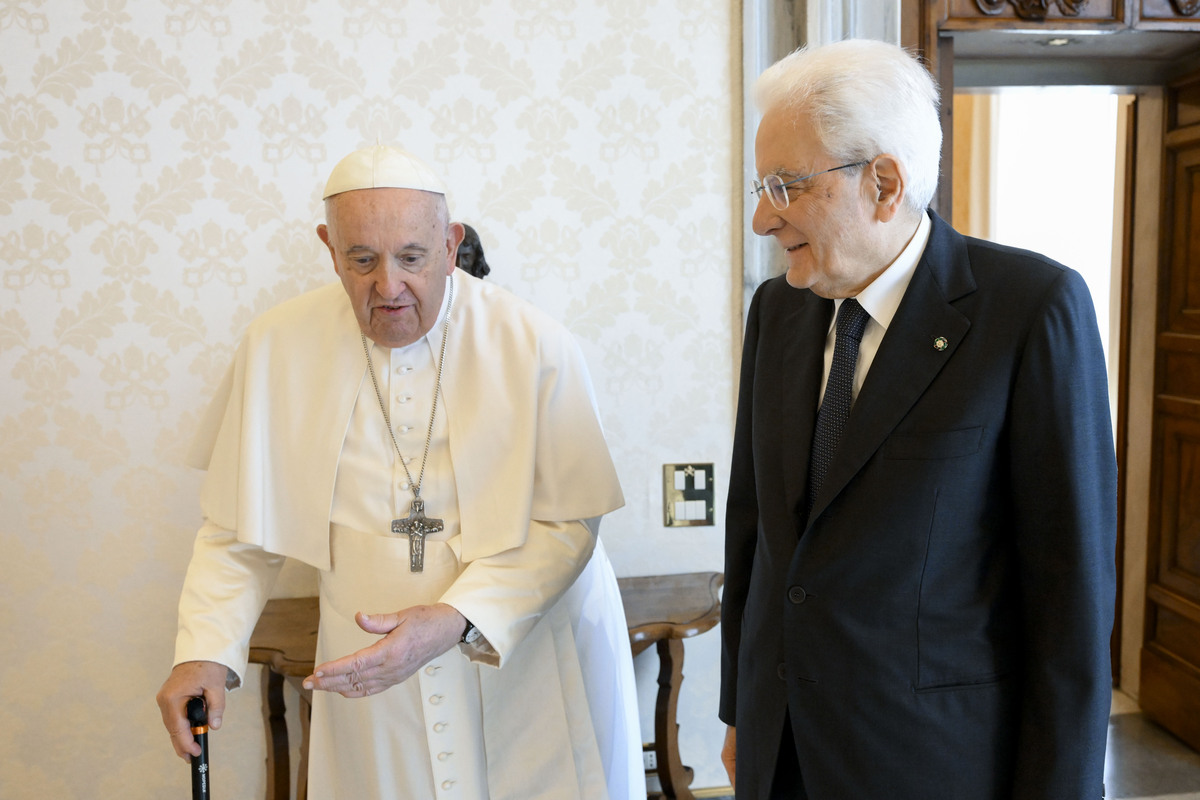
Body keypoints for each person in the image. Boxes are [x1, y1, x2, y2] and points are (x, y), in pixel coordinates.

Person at [156, 144, 641, 800]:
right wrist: (205, 650)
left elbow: (568, 521)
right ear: (329, 247)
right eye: (361, 260)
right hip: (368, 662)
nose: (387, 286)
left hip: (518, 647)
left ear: (450, 241)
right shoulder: (277, 346)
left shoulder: (532, 345)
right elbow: (238, 529)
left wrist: (457, 616)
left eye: (412, 257)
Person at [720, 39, 1116, 800]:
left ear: (884, 183)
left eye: (785, 185)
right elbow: (755, 534)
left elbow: (1069, 596)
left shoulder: (1031, 309)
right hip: (783, 752)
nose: (763, 218)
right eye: (760, 186)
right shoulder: (778, 311)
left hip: (934, 764)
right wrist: (742, 714)